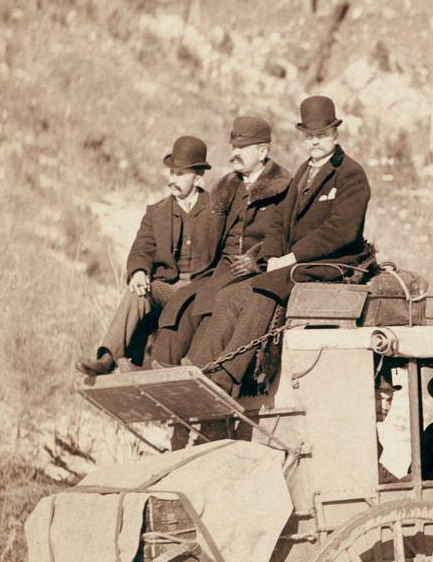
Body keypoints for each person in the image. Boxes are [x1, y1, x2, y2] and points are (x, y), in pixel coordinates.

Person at [187, 95, 372, 394]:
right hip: (294, 263)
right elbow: (278, 224)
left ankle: (227, 377)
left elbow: (342, 230)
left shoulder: (350, 173)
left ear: (335, 134)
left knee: (267, 287)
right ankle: (197, 369)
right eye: (309, 136)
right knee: (229, 296)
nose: (315, 141)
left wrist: (290, 258)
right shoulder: (301, 173)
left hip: (333, 264)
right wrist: (271, 256)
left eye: (322, 135)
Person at [152, 115, 291, 366]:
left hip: (255, 270)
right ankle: (158, 366)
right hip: (221, 267)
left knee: (213, 298)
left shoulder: (283, 187)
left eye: (242, 148)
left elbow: (284, 233)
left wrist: (257, 257)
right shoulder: (226, 186)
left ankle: (195, 366)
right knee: (183, 301)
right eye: (233, 147)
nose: (234, 153)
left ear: (262, 151)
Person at [76, 136, 214, 376]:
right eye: (171, 172)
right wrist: (139, 271)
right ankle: (108, 357)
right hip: (169, 289)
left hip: (202, 291)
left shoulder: (216, 209)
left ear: (198, 177)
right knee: (138, 290)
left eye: (180, 174)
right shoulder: (157, 212)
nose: (172, 179)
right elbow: (141, 248)